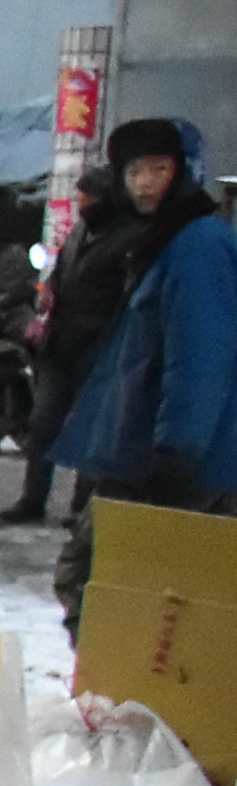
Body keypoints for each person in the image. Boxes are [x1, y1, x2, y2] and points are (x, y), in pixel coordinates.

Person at [48, 115, 237, 631]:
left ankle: (132, 702)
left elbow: (202, 355)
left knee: (116, 594)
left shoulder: (195, 246)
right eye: (135, 171)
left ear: (184, 173)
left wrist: (177, 452)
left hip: (178, 464)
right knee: (113, 591)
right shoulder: (162, 240)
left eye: (160, 168)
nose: (146, 183)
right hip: (143, 452)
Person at [6, 161, 130, 526]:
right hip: (59, 344)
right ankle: (32, 498)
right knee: (43, 422)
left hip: (95, 346)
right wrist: (49, 296)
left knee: (88, 427)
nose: (82, 202)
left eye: (88, 196)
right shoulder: (80, 232)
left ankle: (82, 505)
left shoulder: (126, 239)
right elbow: (60, 272)